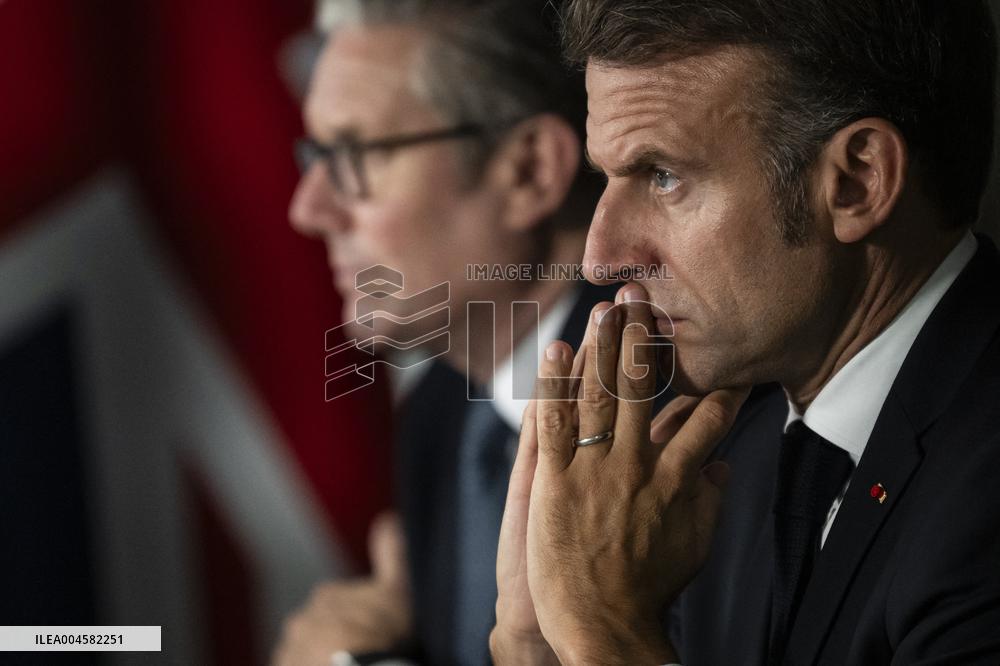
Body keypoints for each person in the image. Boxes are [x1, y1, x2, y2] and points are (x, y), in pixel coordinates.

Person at [490, 1, 1000, 665]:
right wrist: (537, 646)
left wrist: (605, 633)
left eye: (663, 176)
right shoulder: (703, 463)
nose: (601, 257)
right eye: (607, 177)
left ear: (856, 182)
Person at [274, 1, 609, 664]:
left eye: (354, 155)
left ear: (530, 168)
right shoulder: (438, 419)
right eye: (315, 154)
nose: (307, 209)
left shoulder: (681, 421)